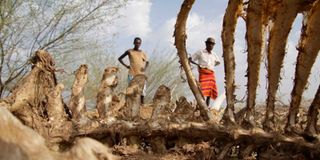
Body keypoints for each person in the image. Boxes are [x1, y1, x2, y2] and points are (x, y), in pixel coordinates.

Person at [189, 37, 221, 107]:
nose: (211, 45)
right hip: (203, 73)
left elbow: (218, 62)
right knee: (201, 90)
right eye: (209, 44)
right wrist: (198, 65)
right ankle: (200, 106)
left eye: (212, 44)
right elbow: (190, 59)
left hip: (211, 74)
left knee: (209, 92)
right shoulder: (200, 52)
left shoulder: (214, 54)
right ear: (206, 44)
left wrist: (211, 66)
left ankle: (207, 106)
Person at [118, 37, 149, 104]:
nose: (138, 44)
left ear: (140, 44)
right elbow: (120, 58)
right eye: (136, 43)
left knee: (142, 90)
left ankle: (142, 105)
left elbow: (147, 62)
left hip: (141, 74)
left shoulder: (142, 53)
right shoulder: (130, 51)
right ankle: (129, 104)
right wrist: (126, 66)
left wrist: (144, 68)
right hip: (132, 73)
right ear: (134, 43)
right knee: (131, 90)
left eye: (139, 43)